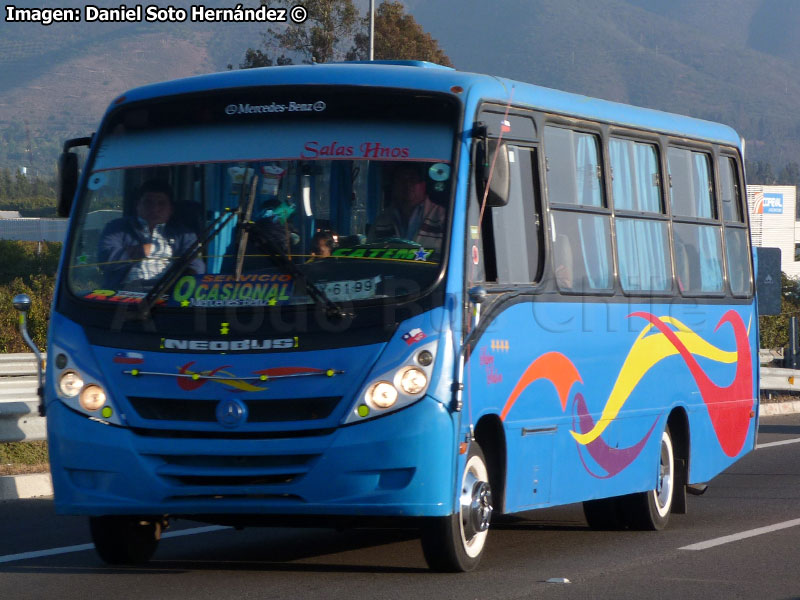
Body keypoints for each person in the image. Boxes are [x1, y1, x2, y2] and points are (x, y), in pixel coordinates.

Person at [98, 180, 205, 288]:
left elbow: (196, 267)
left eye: (161, 203)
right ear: (137, 205)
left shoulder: (184, 234)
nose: (154, 209)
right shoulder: (117, 227)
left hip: (166, 296)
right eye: (148, 202)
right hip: (123, 297)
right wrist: (143, 250)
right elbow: (104, 258)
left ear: (171, 209)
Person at [371, 164, 446, 252]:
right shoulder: (381, 221)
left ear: (423, 185)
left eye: (412, 179)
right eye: (401, 180)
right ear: (394, 186)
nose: (407, 184)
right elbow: (368, 253)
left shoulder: (443, 217)